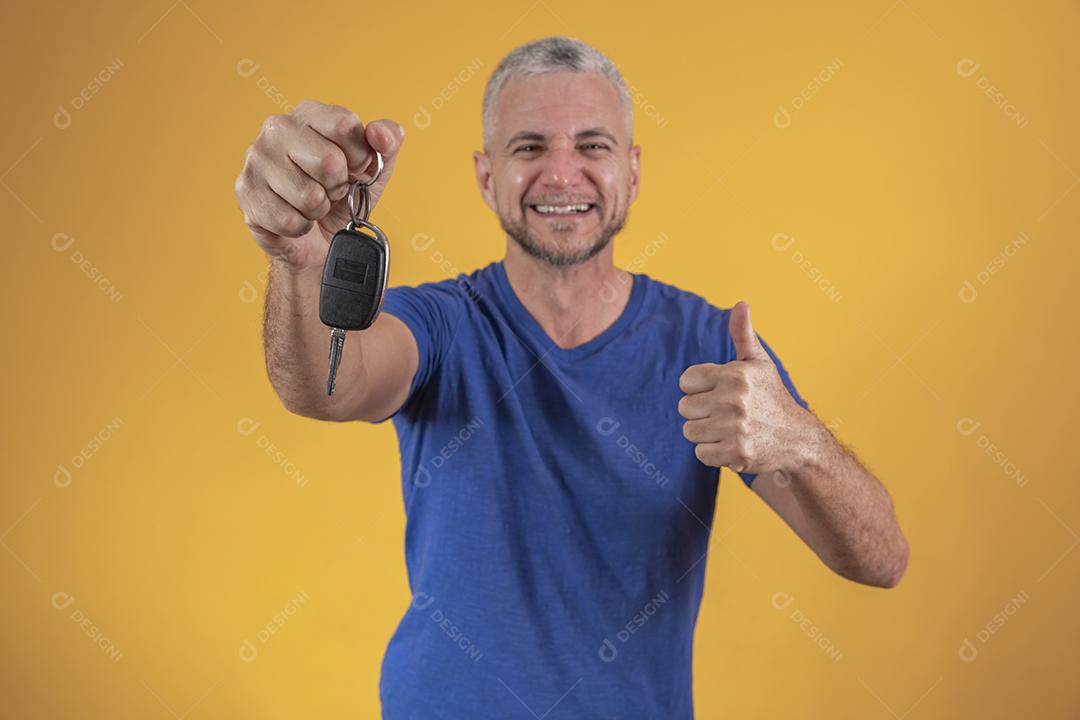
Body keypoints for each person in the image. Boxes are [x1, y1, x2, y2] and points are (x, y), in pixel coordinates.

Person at [234, 35, 908, 720]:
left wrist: (800, 442)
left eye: (592, 146)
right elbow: (324, 385)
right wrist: (299, 256)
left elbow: (879, 560)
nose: (562, 174)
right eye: (529, 147)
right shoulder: (439, 323)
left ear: (634, 171)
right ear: (486, 175)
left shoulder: (712, 346)